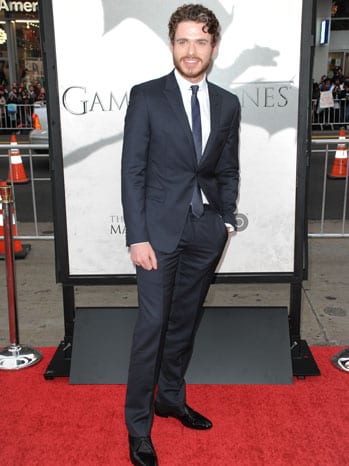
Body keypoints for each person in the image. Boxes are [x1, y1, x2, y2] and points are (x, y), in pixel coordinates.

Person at [121, 4, 240, 465]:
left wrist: (225, 221)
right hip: (156, 235)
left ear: (214, 46)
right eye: (184, 41)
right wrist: (137, 236)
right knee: (151, 327)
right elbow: (132, 171)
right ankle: (137, 427)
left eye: (201, 41)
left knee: (184, 323)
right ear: (171, 44)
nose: (192, 51)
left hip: (205, 232)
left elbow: (226, 167)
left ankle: (169, 397)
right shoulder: (147, 96)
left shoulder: (227, 103)